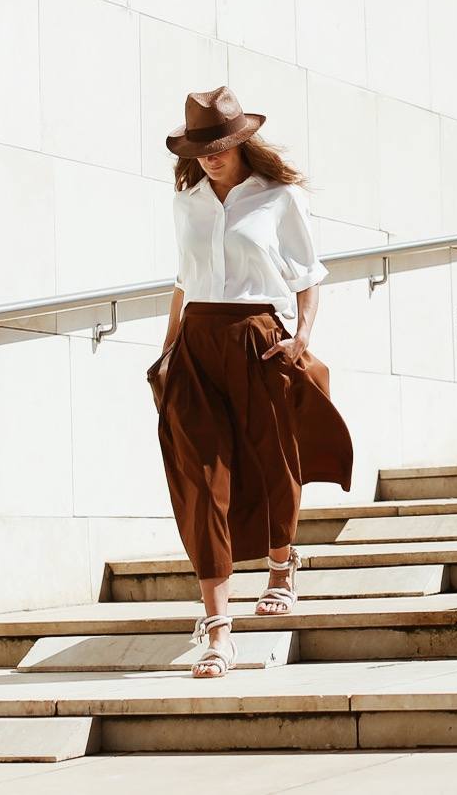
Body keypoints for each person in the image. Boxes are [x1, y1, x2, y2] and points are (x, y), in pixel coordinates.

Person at [155, 85, 353, 678]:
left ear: (241, 141)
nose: (210, 156)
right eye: (200, 146)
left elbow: (307, 275)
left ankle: (281, 563)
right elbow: (184, 280)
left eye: (218, 145)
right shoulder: (187, 197)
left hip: (258, 336)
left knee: (274, 459)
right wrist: (167, 350)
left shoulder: (277, 197)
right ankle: (218, 628)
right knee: (199, 476)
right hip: (197, 340)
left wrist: (302, 336)